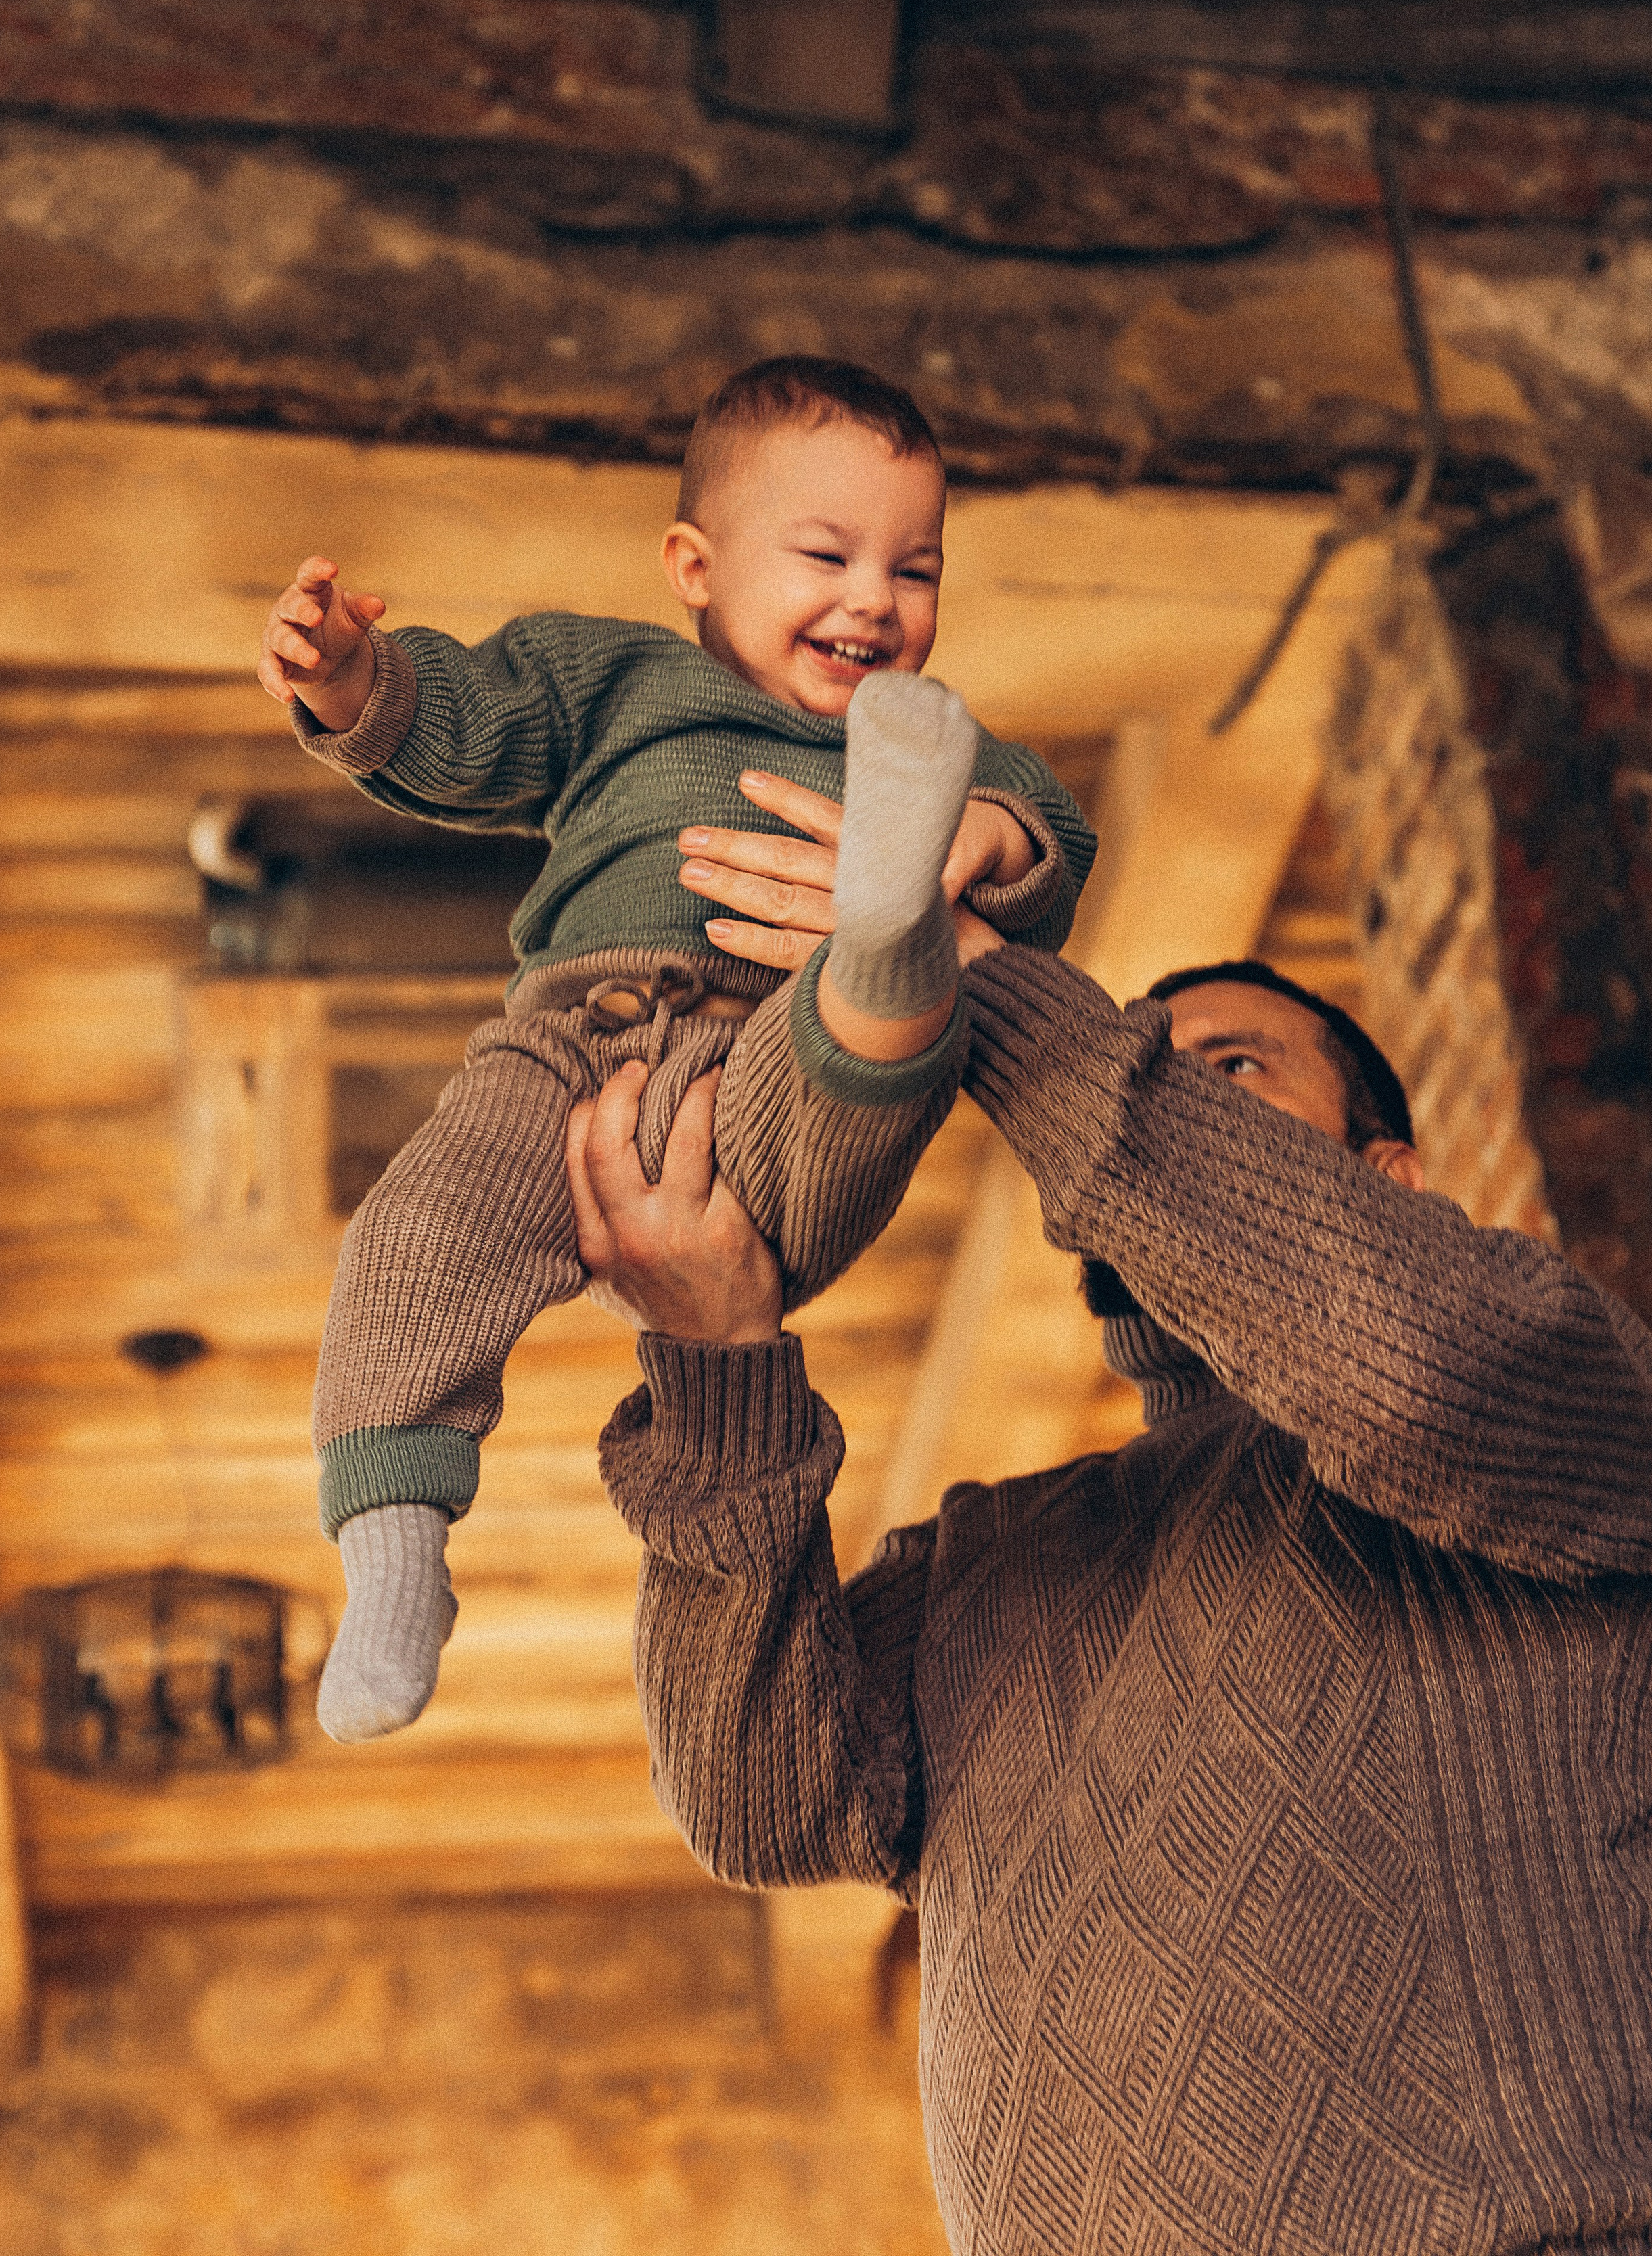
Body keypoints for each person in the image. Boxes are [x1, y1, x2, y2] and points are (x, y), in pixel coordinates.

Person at [570, 781, 1652, 2256]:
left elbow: (1411, 1374)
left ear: (1384, 1174)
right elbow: (759, 1804)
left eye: (1230, 1068)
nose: (1163, 1092)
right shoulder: (985, 1557)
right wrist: (715, 1364)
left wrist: (993, 990)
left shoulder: (1565, 1375)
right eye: (1143, 1064)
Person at [256, 356, 1095, 1741]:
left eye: (917, 569)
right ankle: (394, 1556)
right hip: (567, 1042)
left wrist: (972, 840)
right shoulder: (616, 681)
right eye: (827, 555)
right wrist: (351, 681)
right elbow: (470, 724)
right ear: (695, 568)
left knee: (853, 1069)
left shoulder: (931, 749)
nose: (876, 600)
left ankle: (890, 925)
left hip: (766, 1062)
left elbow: (1048, 834)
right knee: (413, 1238)